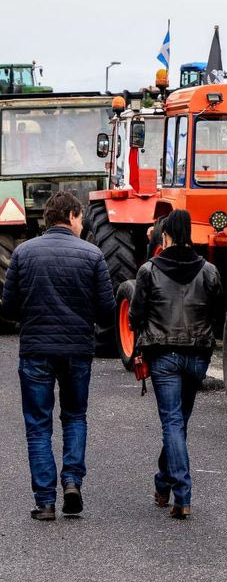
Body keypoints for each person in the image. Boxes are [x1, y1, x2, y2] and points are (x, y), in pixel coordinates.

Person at [2, 191, 115, 521]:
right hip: (77, 350)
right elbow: (107, 311)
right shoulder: (93, 255)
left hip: (36, 350)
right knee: (75, 416)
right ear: (71, 215)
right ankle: (72, 482)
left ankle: (45, 502)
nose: (82, 224)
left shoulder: (23, 253)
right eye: (80, 218)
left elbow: (8, 308)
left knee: (38, 426)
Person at [129, 210, 222, 519]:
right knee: (178, 423)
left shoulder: (149, 270)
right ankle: (162, 483)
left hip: (163, 356)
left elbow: (135, 316)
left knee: (172, 424)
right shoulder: (209, 271)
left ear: (165, 236)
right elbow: (218, 312)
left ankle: (182, 496)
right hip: (197, 356)